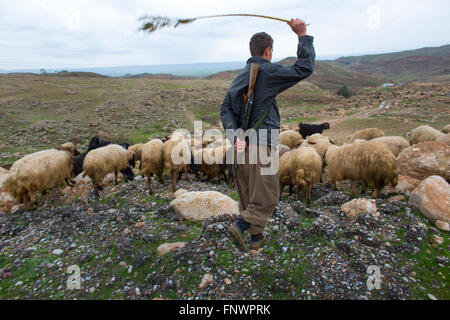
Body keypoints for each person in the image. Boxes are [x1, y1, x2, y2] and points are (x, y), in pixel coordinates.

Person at [220, 18, 316, 251]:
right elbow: (304, 68)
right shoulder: (267, 70)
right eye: (271, 51)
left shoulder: (241, 76)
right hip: (262, 144)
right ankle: (242, 225)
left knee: (250, 194)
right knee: (269, 194)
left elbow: (225, 109)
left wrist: (235, 137)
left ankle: (255, 240)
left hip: (239, 149)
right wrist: (302, 35)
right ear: (268, 51)